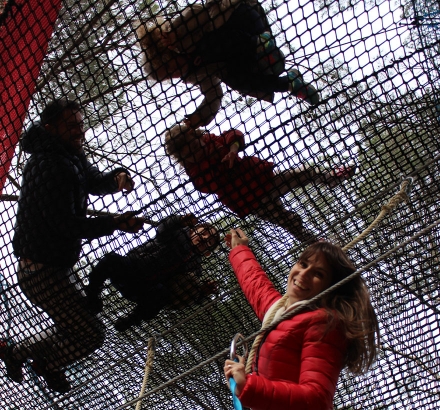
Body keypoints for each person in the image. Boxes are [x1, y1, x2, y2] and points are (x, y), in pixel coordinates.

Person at [0, 99, 145, 392]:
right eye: (72, 125)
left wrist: (115, 180)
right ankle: (45, 362)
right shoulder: (47, 164)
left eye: (81, 124)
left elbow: (91, 180)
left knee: (78, 324)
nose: (80, 130)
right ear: (51, 127)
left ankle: (18, 353)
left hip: (55, 268)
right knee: (91, 334)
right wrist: (115, 223)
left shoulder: (68, 153)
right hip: (40, 273)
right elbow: (66, 224)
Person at [223, 228, 379, 410]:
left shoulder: (325, 323)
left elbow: (317, 399)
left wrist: (248, 385)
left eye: (318, 274)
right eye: (303, 264)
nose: (304, 274)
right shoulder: (283, 312)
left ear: (330, 287)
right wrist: (239, 249)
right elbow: (255, 284)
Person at [136, 0, 320, 128]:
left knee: (209, 48)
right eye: (169, 76)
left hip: (242, 19)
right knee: (234, 79)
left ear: (167, 55)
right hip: (247, 52)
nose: (174, 73)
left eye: (168, 67)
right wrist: (201, 116)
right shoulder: (194, 73)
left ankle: (260, 46)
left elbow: (199, 12)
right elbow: (214, 93)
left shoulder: (177, 38)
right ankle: (289, 84)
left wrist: (177, 33)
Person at [164, 123, 356, 242]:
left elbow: (234, 135)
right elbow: (205, 187)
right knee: (289, 222)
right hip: (250, 199)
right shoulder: (194, 170)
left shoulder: (210, 140)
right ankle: (316, 243)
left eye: (195, 146)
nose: (195, 153)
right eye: (190, 154)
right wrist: (218, 166)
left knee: (302, 173)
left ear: (195, 137)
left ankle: (330, 179)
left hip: (261, 178)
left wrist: (233, 149)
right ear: (183, 157)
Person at [85, 214, 221, 331]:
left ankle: (133, 319)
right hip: (133, 269)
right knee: (111, 260)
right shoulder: (177, 234)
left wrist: (202, 292)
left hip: (147, 290)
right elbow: (163, 228)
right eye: (203, 233)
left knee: (162, 293)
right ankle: (93, 295)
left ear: (207, 253)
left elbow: (186, 297)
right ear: (192, 230)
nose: (205, 238)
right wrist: (178, 221)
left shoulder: (195, 268)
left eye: (210, 241)